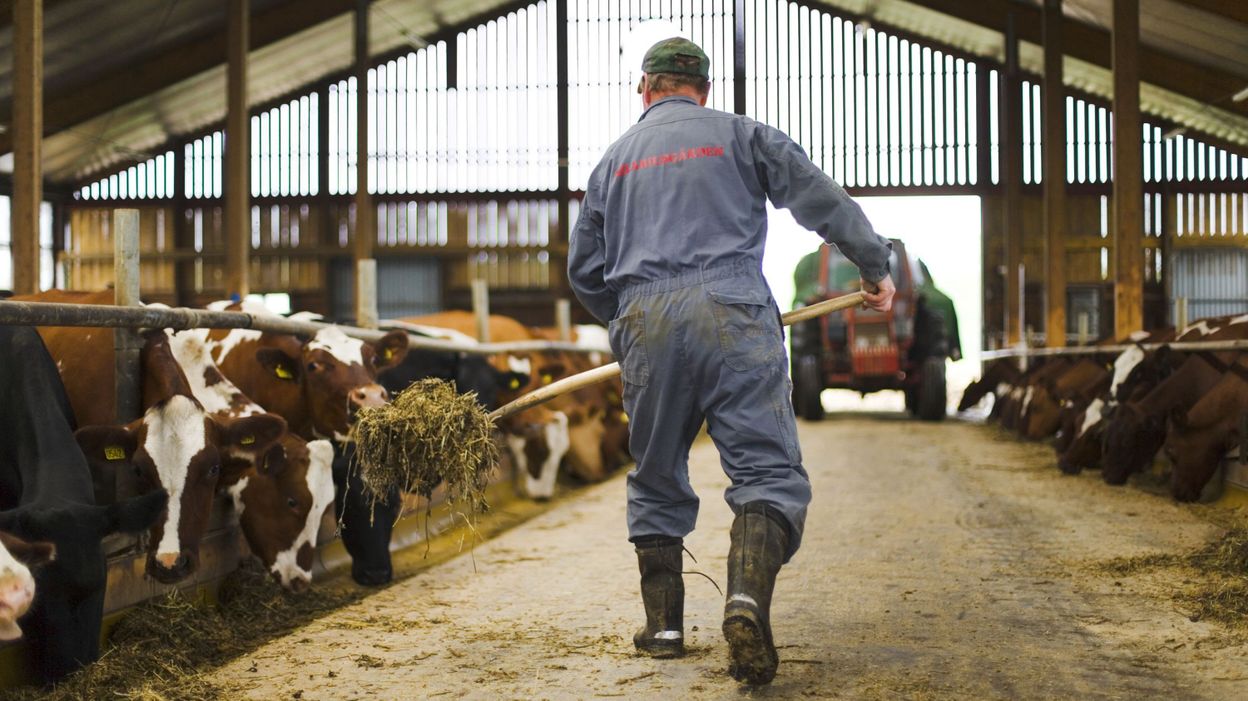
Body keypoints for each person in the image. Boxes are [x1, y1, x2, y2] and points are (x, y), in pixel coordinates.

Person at [567, 37, 895, 686]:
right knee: (767, 470)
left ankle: (662, 627)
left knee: (656, 471)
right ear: (705, 90)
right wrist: (874, 263)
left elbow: (584, 271)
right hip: (733, 309)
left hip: (644, 317)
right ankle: (744, 598)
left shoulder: (611, 163)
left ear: (645, 89)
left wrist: (631, 324)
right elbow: (818, 198)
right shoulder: (743, 135)